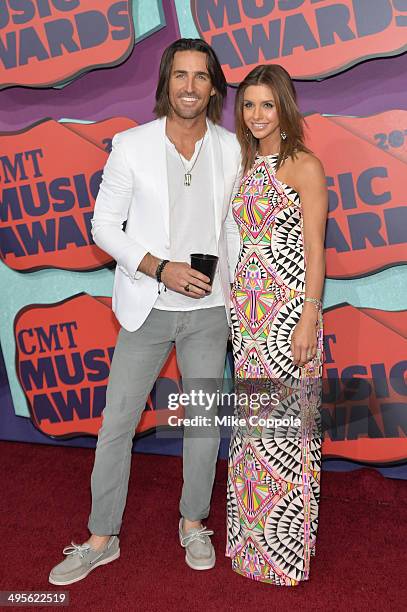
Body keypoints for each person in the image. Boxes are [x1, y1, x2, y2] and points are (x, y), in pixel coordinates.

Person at [49, 38, 240, 585]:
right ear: (166, 82)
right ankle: (101, 537)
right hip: (147, 305)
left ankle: (193, 522)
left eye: (200, 76)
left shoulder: (230, 147)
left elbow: (237, 227)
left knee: (201, 425)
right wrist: (159, 267)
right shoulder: (131, 145)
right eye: (180, 75)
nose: (189, 86)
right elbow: (103, 227)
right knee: (117, 425)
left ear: (213, 86)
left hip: (210, 309)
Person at [226, 64, 328, 585]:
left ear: (284, 108)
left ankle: (284, 555)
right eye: (248, 105)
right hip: (248, 318)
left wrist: (309, 315)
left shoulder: (305, 166)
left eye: (267, 105)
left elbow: (315, 250)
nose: (257, 115)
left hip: (289, 315)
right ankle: (251, 547)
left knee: (285, 433)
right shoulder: (243, 164)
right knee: (254, 431)